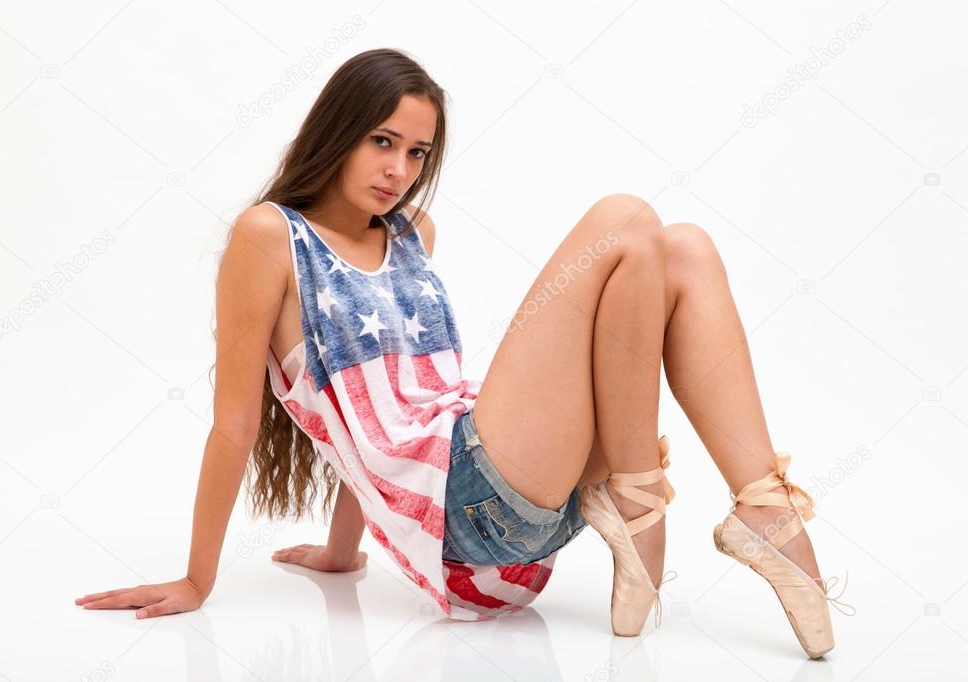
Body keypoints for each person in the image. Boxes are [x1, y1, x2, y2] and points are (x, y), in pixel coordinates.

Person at [74, 48, 852, 656]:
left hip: (516, 528)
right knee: (627, 220)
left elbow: (381, 414)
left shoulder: (413, 236)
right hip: (470, 518)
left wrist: (346, 552)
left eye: (416, 153)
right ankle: (638, 495)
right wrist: (196, 580)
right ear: (335, 131)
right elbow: (238, 424)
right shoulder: (269, 237)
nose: (397, 171)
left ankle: (761, 507)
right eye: (381, 142)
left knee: (679, 247)